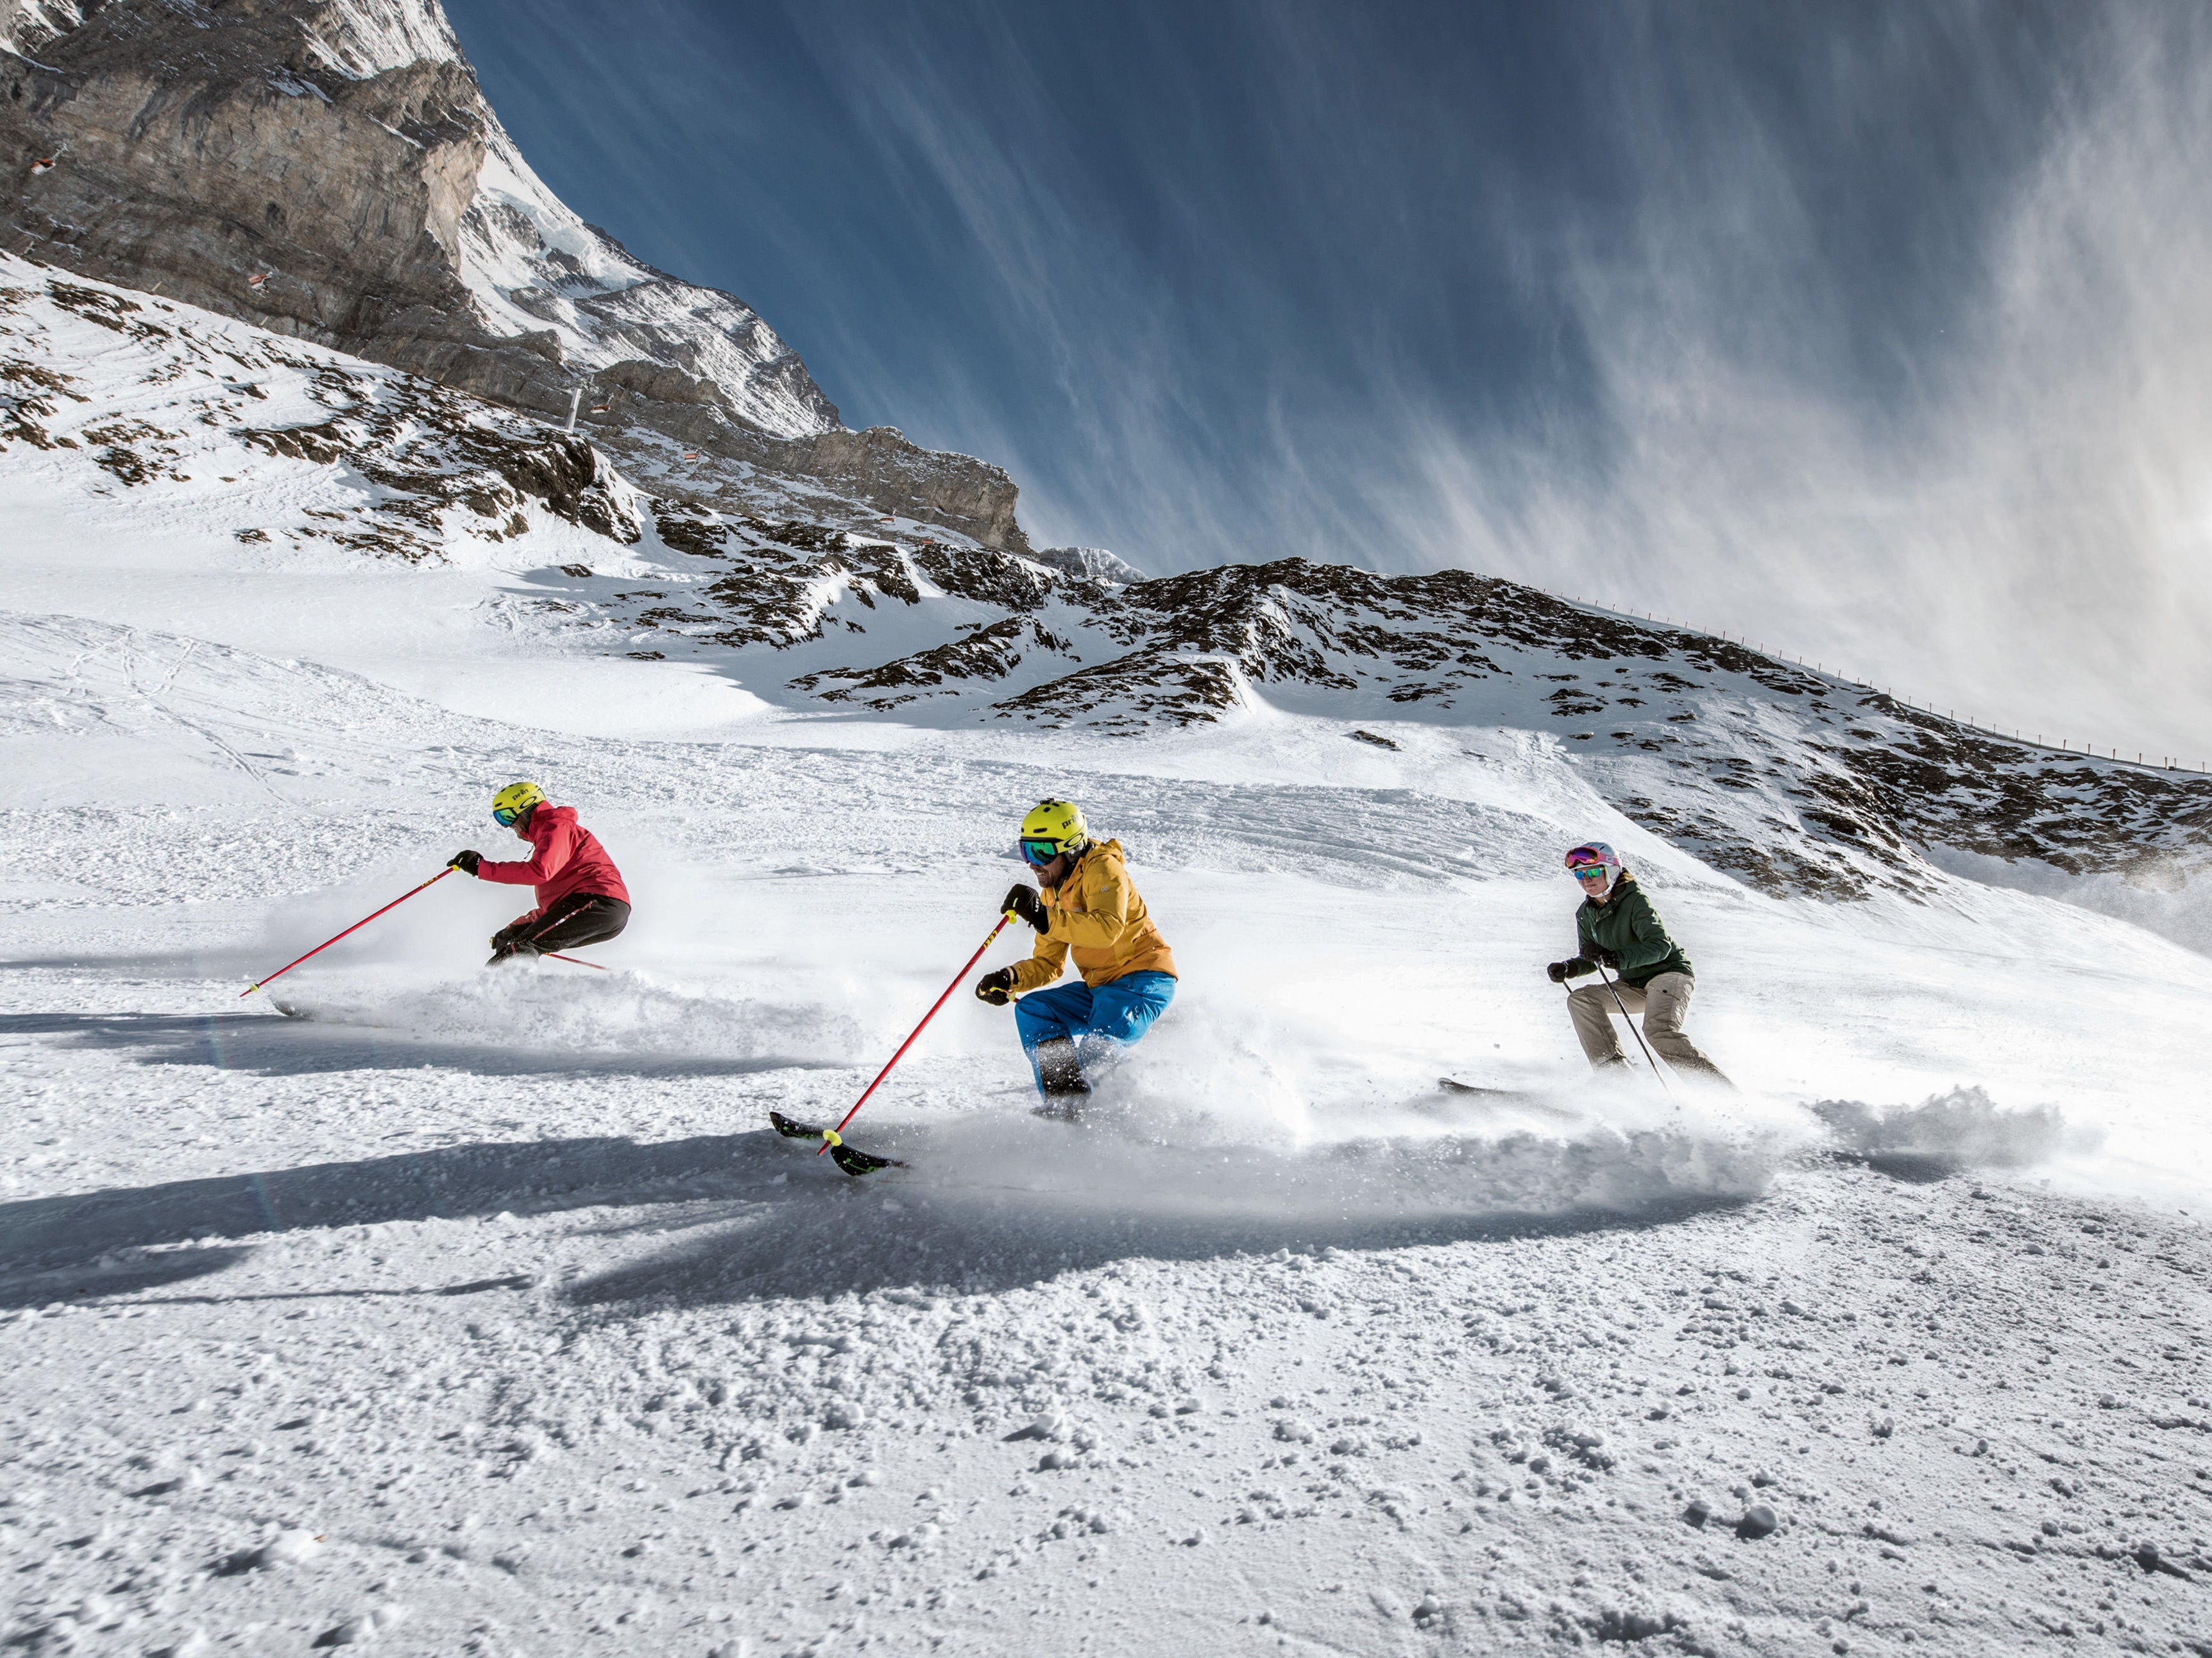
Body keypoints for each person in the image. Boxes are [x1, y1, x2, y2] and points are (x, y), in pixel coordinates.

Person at [973, 799, 1178, 1117]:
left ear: (1070, 848)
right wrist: (1010, 978)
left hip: (1142, 979)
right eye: (1026, 852)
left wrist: (1044, 917)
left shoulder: (1104, 869)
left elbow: (1107, 929)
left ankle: (1120, 1119)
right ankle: (1065, 1102)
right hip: (1102, 988)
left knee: (1097, 1052)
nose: (1032, 864)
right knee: (1034, 1010)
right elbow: (1049, 965)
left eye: (1041, 853)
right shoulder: (1053, 891)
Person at [1545, 841, 1730, 1084]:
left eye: (1592, 872)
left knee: (1658, 1032)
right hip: (1633, 983)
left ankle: (1717, 1091)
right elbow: (1593, 958)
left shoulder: (1635, 901)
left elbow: (1660, 947)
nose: (1586, 880)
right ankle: (1616, 1075)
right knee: (1581, 1000)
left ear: (1610, 871)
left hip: (1668, 975)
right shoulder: (1585, 913)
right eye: (1579, 874)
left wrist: (1618, 957)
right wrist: (1571, 968)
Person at [449, 783, 631, 966]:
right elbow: (554, 907)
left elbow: (538, 872)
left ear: (526, 808)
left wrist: (481, 867)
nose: (508, 825)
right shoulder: (551, 835)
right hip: (597, 908)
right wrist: (515, 928)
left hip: (597, 903)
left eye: (507, 816)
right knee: (515, 944)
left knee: (520, 949)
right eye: (500, 819)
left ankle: (495, 991)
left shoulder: (557, 828)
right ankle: (512, 989)